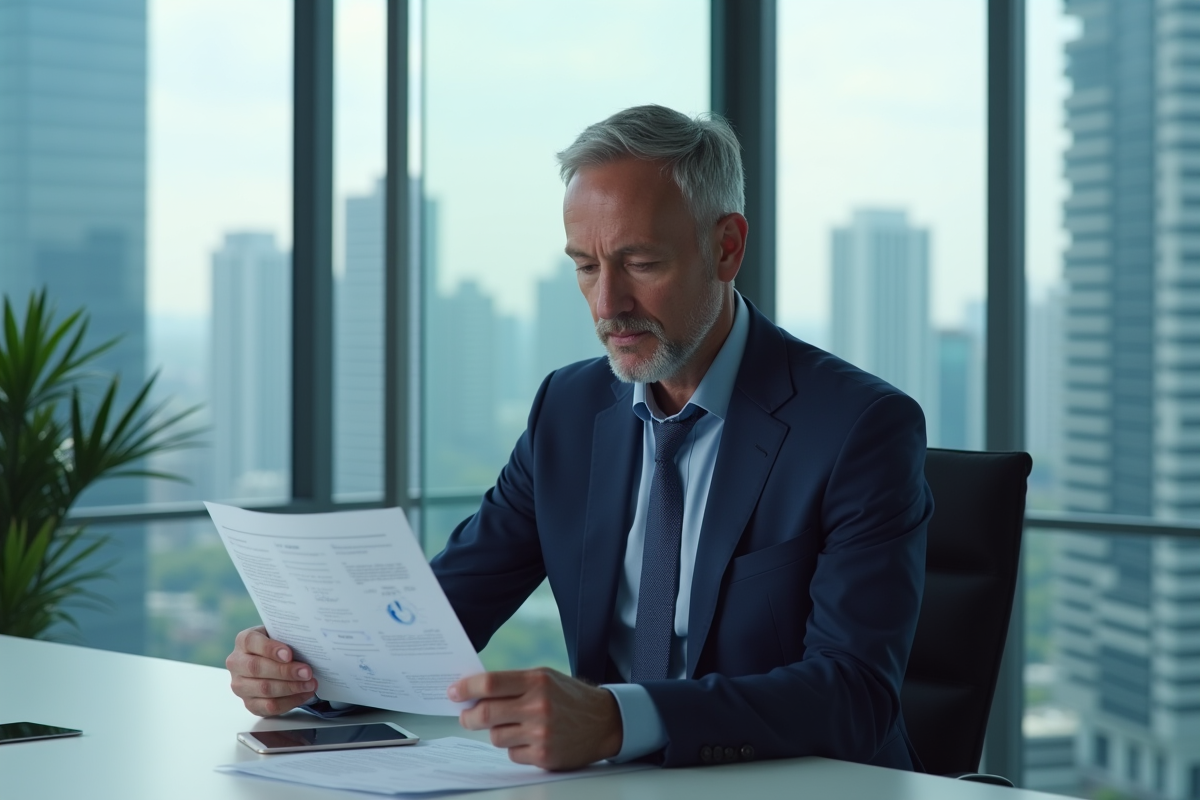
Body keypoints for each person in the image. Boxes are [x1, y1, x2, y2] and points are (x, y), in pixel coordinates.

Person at [225, 104, 932, 773]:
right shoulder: (568, 408)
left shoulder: (857, 428)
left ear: (726, 247)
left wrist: (619, 720)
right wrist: (306, 669)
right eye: (586, 267)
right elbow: (437, 621)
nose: (607, 305)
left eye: (641, 263)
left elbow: (854, 693)